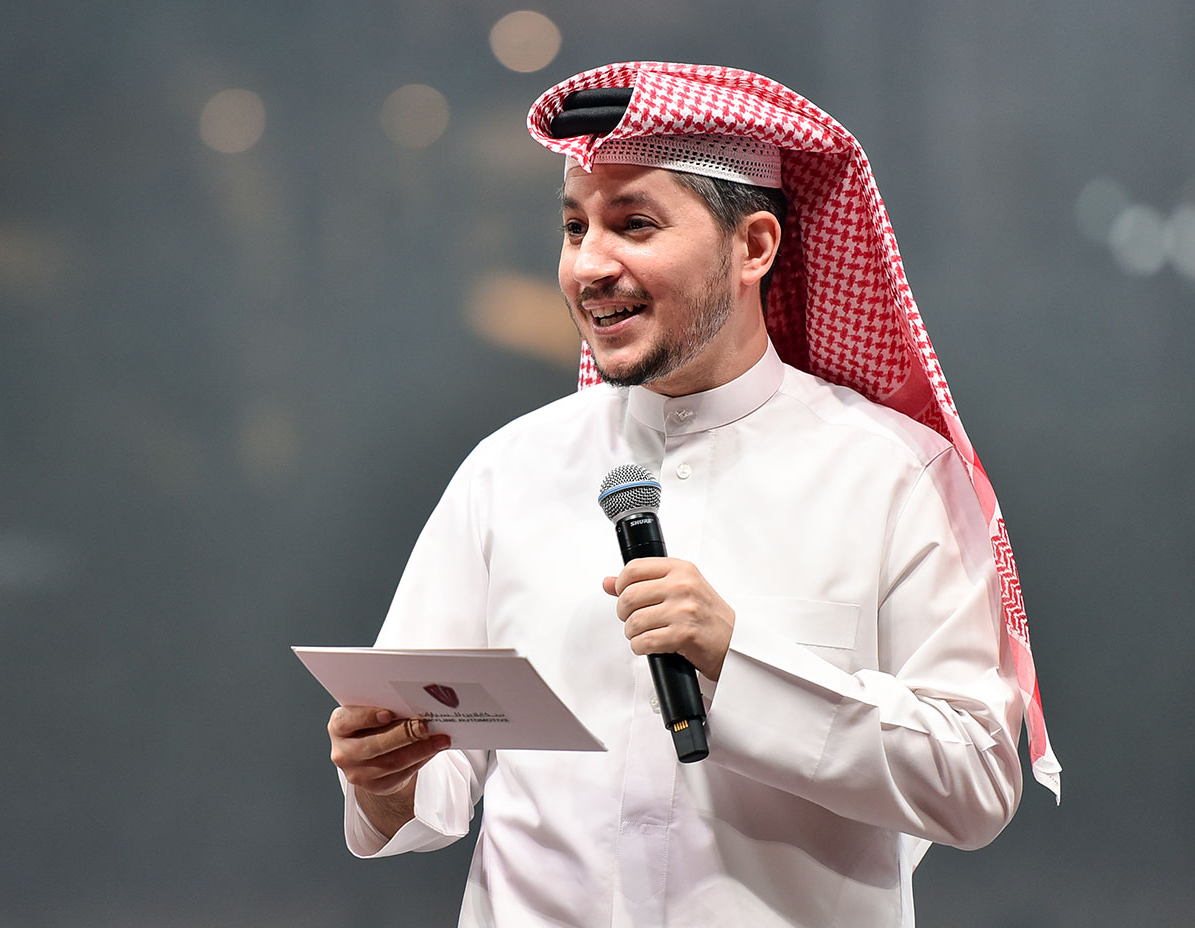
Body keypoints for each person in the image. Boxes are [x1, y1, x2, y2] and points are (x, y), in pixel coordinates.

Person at [326, 62, 1060, 927]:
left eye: (634, 224)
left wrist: (735, 658)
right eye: (574, 227)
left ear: (754, 247)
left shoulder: (893, 476)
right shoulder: (508, 470)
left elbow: (974, 782)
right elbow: (434, 778)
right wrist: (386, 775)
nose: (589, 265)